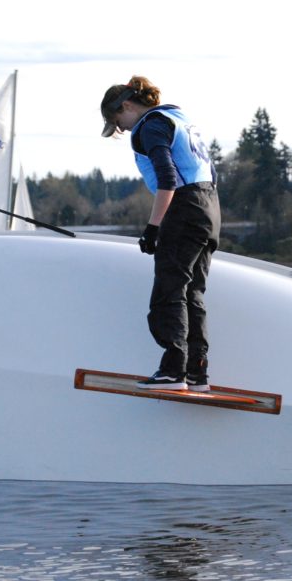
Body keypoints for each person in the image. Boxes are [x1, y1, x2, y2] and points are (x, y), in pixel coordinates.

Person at [100, 76, 220, 392]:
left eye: (118, 122)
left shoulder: (151, 126)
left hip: (183, 207)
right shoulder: (180, 119)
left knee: (169, 290)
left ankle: (173, 371)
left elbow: (167, 179)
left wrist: (152, 228)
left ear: (127, 105)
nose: (123, 130)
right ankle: (197, 374)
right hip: (210, 208)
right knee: (192, 291)